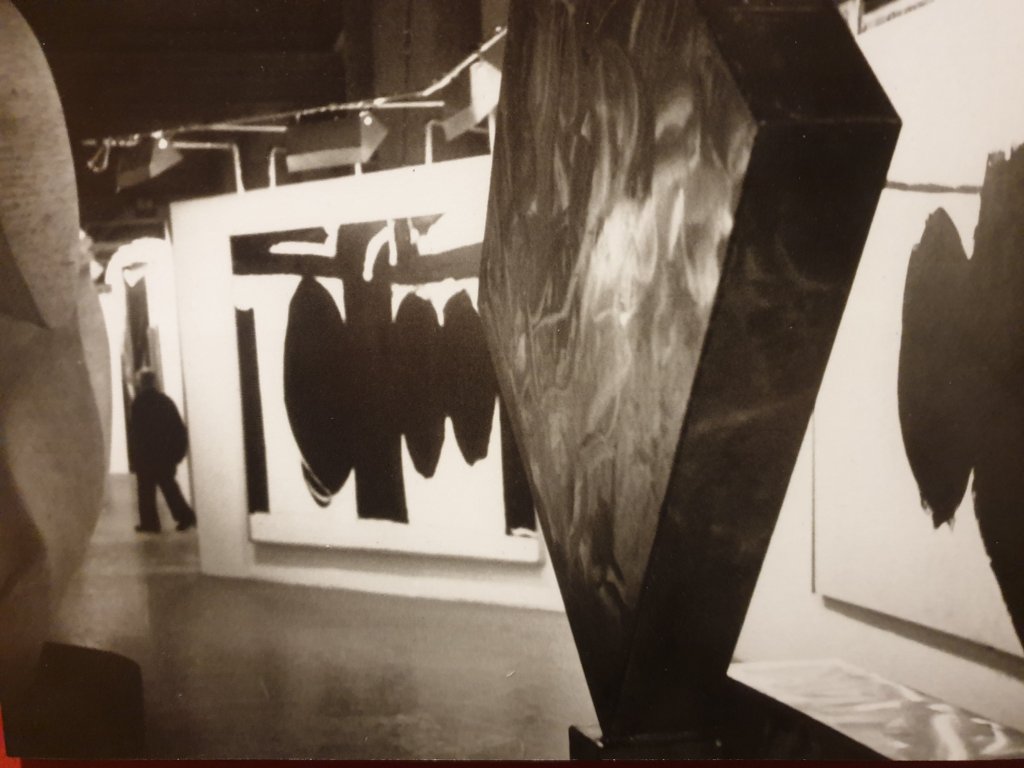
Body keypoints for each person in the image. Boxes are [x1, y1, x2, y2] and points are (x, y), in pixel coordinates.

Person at [128, 370, 196, 532]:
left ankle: (150, 523)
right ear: (154, 382)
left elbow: (136, 433)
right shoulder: (165, 401)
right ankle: (186, 517)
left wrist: (134, 457)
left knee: (146, 490)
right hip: (164, 455)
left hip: (146, 456)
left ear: (141, 383)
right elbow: (178, 428)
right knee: (169, 487)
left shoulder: (139, 403)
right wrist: (177, 453)